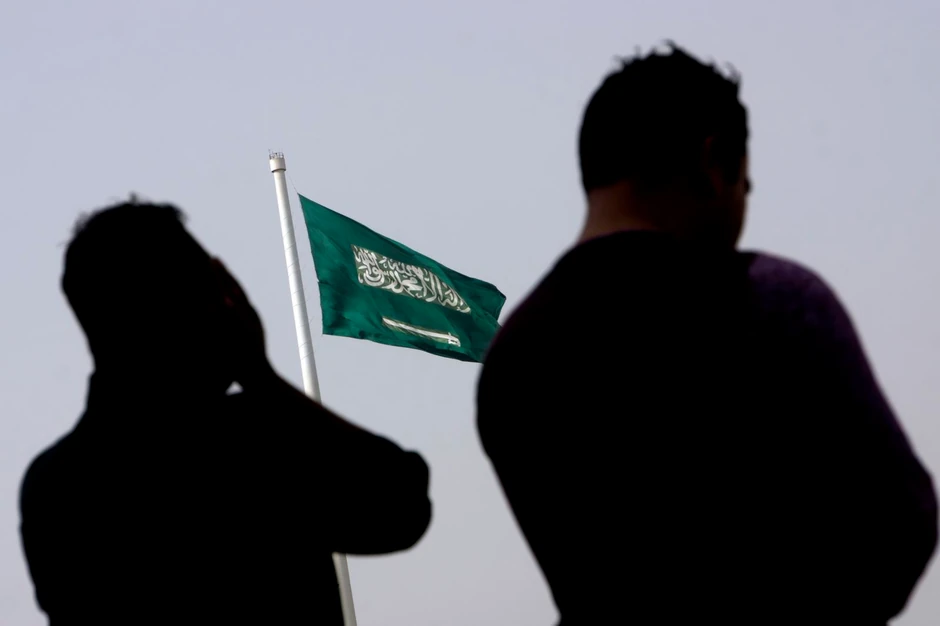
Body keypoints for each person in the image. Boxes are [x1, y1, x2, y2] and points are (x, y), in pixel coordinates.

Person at [477, 43, 937, 625]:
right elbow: (901, 521)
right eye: (747, 184)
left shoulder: (513, 360)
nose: (744, 205)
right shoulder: (772, 301)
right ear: (715, 161)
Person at [19, 201, 432, 624]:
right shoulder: (252, 443)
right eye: (210, 290)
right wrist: (261, 377)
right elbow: (402, 506)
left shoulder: (54, 487)